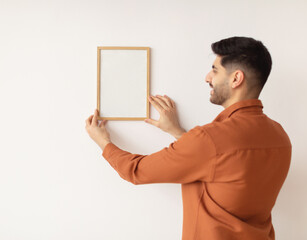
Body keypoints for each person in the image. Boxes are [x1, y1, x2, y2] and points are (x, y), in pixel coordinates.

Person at [85, 36, 292, 240]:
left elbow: (136, 171)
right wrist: (178, 132)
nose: (207, 77)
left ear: (236, 79)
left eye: (215, 70)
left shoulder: (210, 140)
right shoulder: (281, 137)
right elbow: (224, 167)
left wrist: (103, 142)